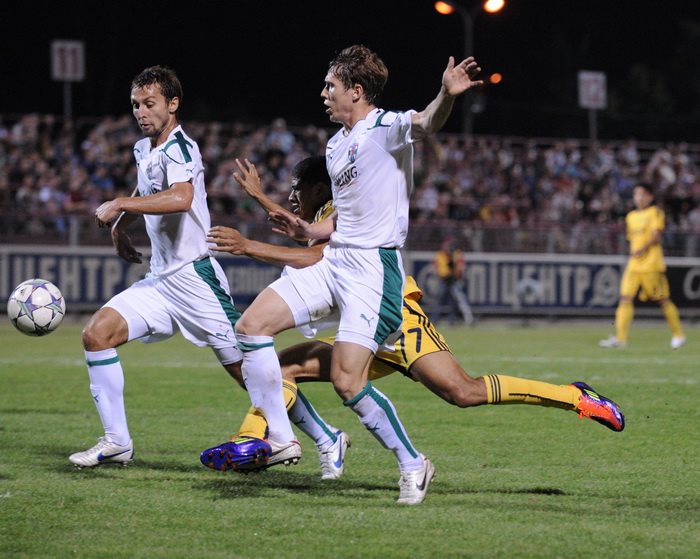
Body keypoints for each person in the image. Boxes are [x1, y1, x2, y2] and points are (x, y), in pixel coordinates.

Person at [203, 156, 625, 488]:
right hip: (361, 326)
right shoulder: (327, 212)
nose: (291, 197)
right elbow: (308, 235)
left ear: (319, 189)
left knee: (463, 392)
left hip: (397, 320)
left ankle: (574, 396)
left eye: (296, 189)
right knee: (281, 368)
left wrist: (251, 243)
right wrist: (261, 199)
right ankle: (263, 438)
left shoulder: (341, 207)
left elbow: (316, 252)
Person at [227, 45, 485, 505]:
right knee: (250, 327)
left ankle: (412, 463)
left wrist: (446, 94)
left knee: (348, 382)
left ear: (357, 90)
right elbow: (342, 218)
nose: (323, 93)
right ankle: (283, 438)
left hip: (371, 269)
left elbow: (426, 123)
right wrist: (309, 230)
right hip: (336, 260)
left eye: (331, 85)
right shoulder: (335, 145)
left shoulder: (385, 127)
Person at [69, 66, 246, 468]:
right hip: (161, 283)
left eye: (149, 104)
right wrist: (122, 225)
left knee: (249, 371)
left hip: (195, 279)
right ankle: (117, 442)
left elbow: (181, 198)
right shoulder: (143, 149)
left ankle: (323, 436)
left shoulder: (181, 148)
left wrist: (119, 203)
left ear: (173, 103)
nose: (141, 112)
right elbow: (148, 189)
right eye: (136, 105)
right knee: (96, 335)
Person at [600, 183, 686, 349]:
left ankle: (678, 335)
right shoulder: (631, 216)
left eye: (642, 194)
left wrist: (643, 249)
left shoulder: (655, 212)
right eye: (636, 194)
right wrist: (635, 252)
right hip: (634, 265)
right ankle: (621, 339)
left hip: (651, 264)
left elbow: (657, 235)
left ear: (650, 196)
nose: (638, 198)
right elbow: (632, 240)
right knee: (625, 298)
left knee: (663, 299)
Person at [433, 235, 473, 324]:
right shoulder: (440, 254)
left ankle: (453, 319)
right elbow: (438, 268)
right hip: (444, 280)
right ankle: (435, 319)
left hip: (453, 280)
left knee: (455, 300)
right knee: (439, 300)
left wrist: (457, 272)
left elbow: (461, 267)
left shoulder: (456, 254)